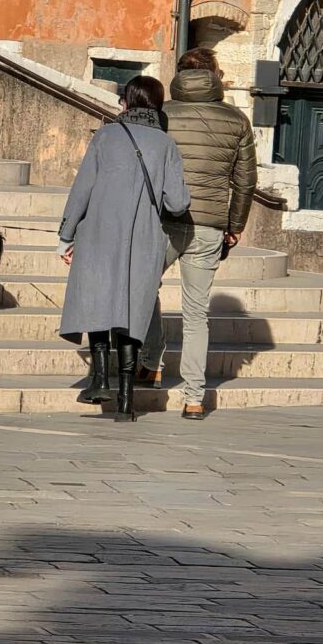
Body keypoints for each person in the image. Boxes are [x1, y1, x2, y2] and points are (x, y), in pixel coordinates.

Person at [57, 76, 190, 422]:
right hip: (144, 237)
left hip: (99, 232)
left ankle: (100, 379)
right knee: (133, 310)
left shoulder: (105, 136)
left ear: (127, 102)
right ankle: (127, 401)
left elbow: (82, 187)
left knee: (99, 300)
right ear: (158, 105)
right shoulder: (166, 145)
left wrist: (66, 234)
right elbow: (177, 204)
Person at [139, 47, 257, 421]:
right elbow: (246, 180)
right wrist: (235, 225)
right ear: (215, 75)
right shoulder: (236, 119)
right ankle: (193, 397)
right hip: (209, 224)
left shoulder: (162, 115)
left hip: (161, 218)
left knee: (144, 288)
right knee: (196, 313)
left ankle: (151, 361)